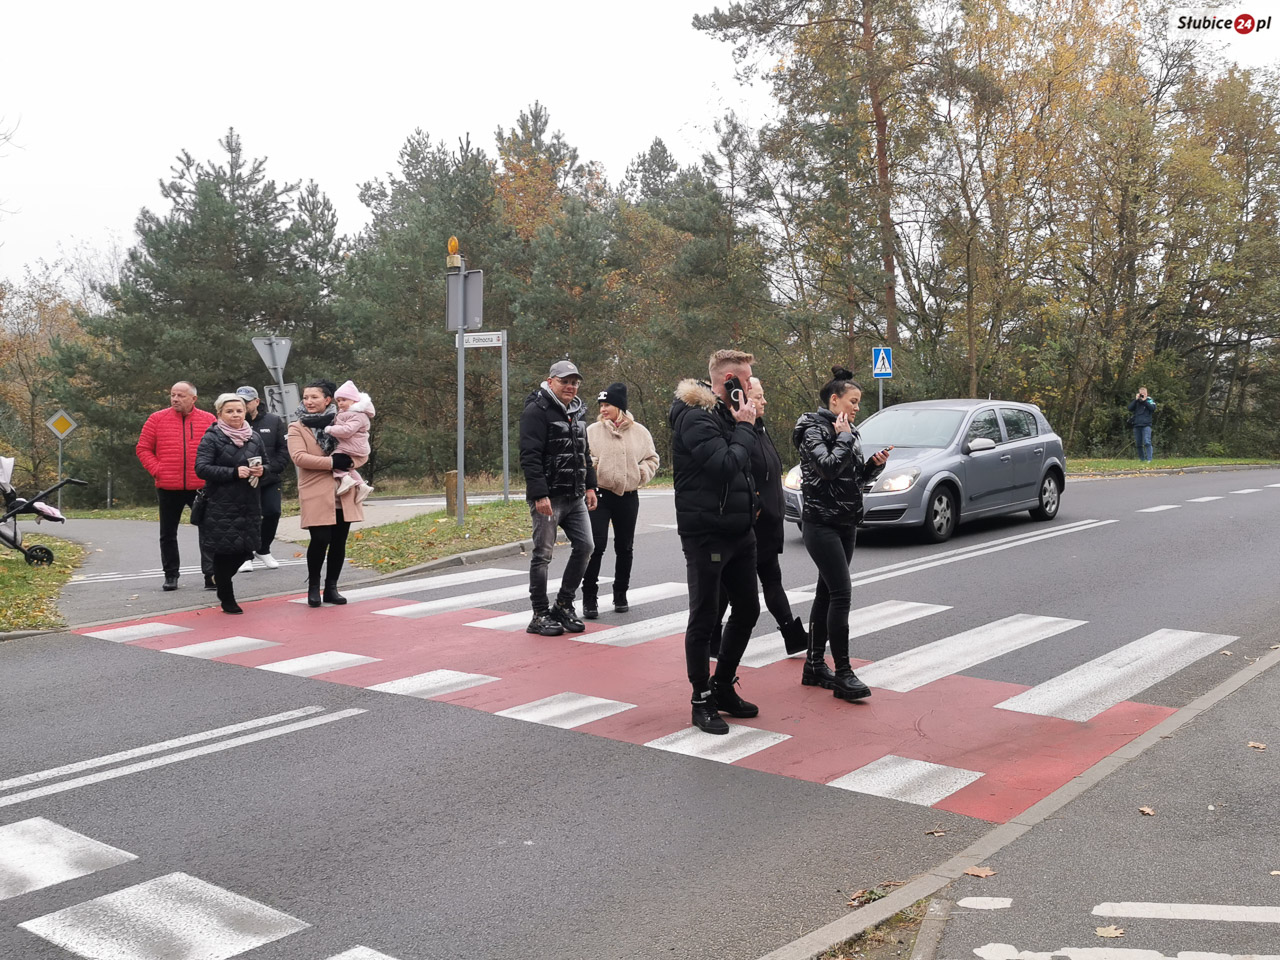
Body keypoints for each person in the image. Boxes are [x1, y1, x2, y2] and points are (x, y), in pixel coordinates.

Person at [669, 349, 761, 735]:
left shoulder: (728, 415)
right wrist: (745, 426)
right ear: (729, 382)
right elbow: (724, 466)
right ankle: (700, 699)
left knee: (748, 609)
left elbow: (749, 463)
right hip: (707, 532)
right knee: (705, 617)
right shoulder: (695, 417)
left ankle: (723, 684)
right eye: (746, 379)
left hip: (739, 530)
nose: (752, 385)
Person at [792, 367, 891, 702]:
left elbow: (851, 478)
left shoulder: (847, 430)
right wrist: (845, 438)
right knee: (841, 594)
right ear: (834, 400)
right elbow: (827, 467)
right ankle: (844, 673)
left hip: (846, 521)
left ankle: (815, 665)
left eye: (859, 402)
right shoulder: (812, 429)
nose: (857, 408)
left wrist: (872, 466)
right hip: (820, 523)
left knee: (826, 594)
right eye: (853, 401)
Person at [713, 376, 808, 654]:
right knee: (729, 587)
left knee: (769, 580)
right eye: (758, 396)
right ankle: (712, 638)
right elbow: (735, 473)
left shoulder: (760, 428)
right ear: (741, 399)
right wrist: (754, 506)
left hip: (768, 523)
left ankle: (791, 634)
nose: (765, 401)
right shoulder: (737, 432)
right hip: (750, 523)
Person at [519, 359, 599, 637]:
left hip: (575, 494)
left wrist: (590, 486)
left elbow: (583, 452)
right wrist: (539, 494)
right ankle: (539, 614)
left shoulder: (577, 410)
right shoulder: (536, 410)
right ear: (551, 381)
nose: (571, 386)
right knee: (543, 555)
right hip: (549, 497)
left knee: (586, 546)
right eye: (565, 381)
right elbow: (529, 456)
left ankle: (563, 605)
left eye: (575, 382)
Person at [582, 382, 660, 619]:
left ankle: (620, 594)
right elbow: (583, 457)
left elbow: (652, 458)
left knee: (625, 547)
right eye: (601, 405)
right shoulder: (592, 431)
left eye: (608, 404)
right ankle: (589, 598)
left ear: (620, 406)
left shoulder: (640, 432)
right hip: (600, 496)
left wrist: (641, 473)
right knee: (595, 547)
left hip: (628, 496)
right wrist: (594, 469)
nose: (603, 409)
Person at [288, 379, 365, 608]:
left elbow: (361, 449)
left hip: (344, 489)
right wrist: (332, 462)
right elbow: (299, 458)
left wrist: (351, 460)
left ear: (327, 400)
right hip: (315, 489)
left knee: (339, 541)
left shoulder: (344, 420)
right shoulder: (297, 426)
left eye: (314, 397)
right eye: (306, 397)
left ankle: (332, 587)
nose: (309, 401)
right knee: (320, 539)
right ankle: (313, 587)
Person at [135, 380, 216, 591]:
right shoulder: (156, 419)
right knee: (168, 533)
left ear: (193, 399)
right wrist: (158, 470)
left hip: (200, 486)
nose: (175, 399)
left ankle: (211, 574)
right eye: (173, 395)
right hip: (168, 486)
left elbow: (219, 448)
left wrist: (211, 473)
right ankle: (171, 575)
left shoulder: (208, 419)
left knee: (208, 530)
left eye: (180, 395)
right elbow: (143, 448)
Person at [194, 394, 265, 614]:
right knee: (226, 551)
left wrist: (263, 471)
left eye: (239, 410)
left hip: (250, 502)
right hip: (221, 503)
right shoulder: (212, 437)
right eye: (230, 411)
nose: (235, 415)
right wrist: (234, 473)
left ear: (246, 412)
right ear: (220, 414)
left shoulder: (254, 437)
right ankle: (227, 596)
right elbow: (202, 468)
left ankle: (220, 577)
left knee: (247, 550)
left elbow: (268, 463)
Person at [234, 386, 288, 572]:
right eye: (240, 401)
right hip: (242, 481)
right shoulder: (232, 422)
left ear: (257, 401)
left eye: (247, 402)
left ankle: (263, 549)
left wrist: (269, 469)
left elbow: (283, 449)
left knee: (272, 512)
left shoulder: (273, 421)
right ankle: (246, 555)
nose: (244, 405)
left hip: (269, 478)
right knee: (246, 518)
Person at [324, 379, 376, 502]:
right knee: (347, 466)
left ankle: (346, 479)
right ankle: (362, 485)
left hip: (354, 446)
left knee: (334, 461)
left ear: (354, 400)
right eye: (339, 401)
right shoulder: (347, 412)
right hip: (351, 444)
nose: (340, 403)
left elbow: (347, 431)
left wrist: (330, 429)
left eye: (344, 400)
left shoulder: (358, 414)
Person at [1128, 387, 1156, 462]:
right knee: (1138, 444)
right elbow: (1130, 408)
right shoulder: (1136, 402)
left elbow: (1153, 408)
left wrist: (1144, 401)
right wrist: (1136, 400)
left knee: (1147, 441)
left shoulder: (1149, 400)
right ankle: (1142, 459)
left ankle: (1149, 459)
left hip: (1146, 425)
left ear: (1147, 393)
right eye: (1141, 394)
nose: (1142, 395)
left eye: (1144, 394)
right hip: (1137, 425)